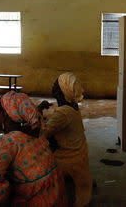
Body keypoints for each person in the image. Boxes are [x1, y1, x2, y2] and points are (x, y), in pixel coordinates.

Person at [0, 91, 67, 206]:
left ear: (5, 115)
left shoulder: (9, 141)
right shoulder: (36, 132)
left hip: (36, 200)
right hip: (56, 196)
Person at [44, 73, 92, 207]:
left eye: (56, 85)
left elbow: (44, 133)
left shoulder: (63, 114)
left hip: (68, 159)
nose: (53, 86)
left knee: (38, 156)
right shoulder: (72, 106)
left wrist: (37, 113)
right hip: (79, 155)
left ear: (63, 90)